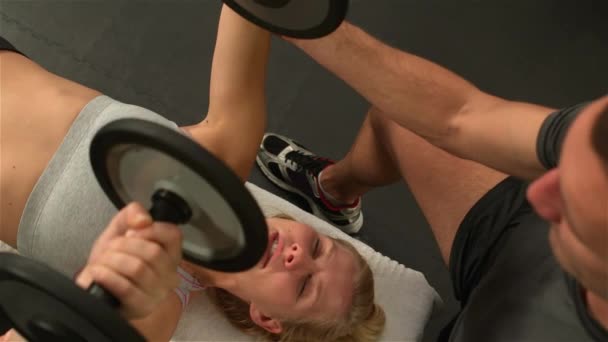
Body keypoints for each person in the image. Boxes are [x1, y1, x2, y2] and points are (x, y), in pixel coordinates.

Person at [0, 5, 384, 342]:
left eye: (304, 286)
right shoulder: (222, 158)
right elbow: (250, 11)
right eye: (318, 246)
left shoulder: (154, 307)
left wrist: (92, 288)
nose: (297, 256)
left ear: (266, 317)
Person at [255, 20, 608, 341]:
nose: (537, 189)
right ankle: (333, 191)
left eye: (573, 214)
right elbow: (460, 116)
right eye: (561, 171)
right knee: (404, 120)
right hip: (510, 248)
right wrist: (298, 19)